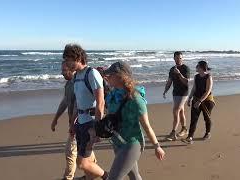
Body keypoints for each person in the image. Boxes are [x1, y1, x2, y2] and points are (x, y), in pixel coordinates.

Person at [104, 61, 165, 180]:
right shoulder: (113, 95)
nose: (107, 77)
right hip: (117, 142)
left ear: (120, 76)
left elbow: (147, 126)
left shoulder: (136, 99)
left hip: (131, 144)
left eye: (110, 75)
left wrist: (157, 146)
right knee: (134, 176)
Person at [62, 44, 108, 180]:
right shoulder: (76, 77)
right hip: (80, 123)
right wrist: (72, 124)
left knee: (82, 163)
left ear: (77, 57)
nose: (66, 63)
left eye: (68, 59)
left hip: (90, 123)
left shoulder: (92, 74)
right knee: (84, 158)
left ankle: (107, 176)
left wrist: (97, 128)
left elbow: (101, 102)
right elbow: (77, 103)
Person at [51, 61, 97, 180]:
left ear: (72, 69)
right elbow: (66, 101)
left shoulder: (79, 84)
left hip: (80, 124)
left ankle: (68, 177)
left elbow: (80, 105)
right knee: (85, 151)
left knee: (70, 152)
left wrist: (73, 125)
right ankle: (92, 173)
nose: (61, 73)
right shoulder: (69, 84)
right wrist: (56, 118)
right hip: (76, 125)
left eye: (64, 70)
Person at [182, 61, 215, 144]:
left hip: (207, 101)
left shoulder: (208, 77)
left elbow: (208, 91)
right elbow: (194, 88)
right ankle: (190, 137)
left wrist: (200, 101)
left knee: (206, 117)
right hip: (196, 99)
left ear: (201, 67)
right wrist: (189, 98)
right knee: (194, 119)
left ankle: (208, 133)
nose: (196, 67)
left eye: (197, 66)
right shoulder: (196, 76)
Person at [163, 51, 190, 141]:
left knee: (176, 110)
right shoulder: (172, 69)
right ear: (174, 58)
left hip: (183, 93)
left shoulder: (185, 68)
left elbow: (186, 81)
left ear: (182, 59)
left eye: (180, 58)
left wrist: (178, 73)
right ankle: (184, 129)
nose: (179, 60)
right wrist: (165, 90)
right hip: (175, 93)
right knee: (181, 111)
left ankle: (173, 132)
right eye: (177, 58)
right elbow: (169, 81)